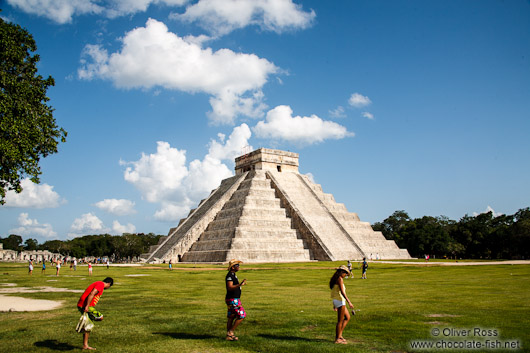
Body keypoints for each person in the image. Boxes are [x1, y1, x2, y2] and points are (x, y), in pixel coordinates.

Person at [77, 277, 114, 350]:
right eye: (109, 287)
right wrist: (87, 306)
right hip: (86, 305)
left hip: (83, 305)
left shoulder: (99, 284)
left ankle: (85, 345)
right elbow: (92, 293)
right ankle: (82, 328)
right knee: (100, 317)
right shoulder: (100, 284)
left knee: (88, 325)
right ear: (109, 284)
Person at [330, 265, 354, 344]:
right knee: (340, 321)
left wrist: (334, 304)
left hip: (337, 300)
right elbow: (342, 292)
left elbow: (334, 291)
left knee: (347, 317)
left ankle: (340, 335)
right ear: (342, 272)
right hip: (340, 301)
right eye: (345, 274)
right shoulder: (340, 279)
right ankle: (337, 339)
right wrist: (349, 302)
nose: (345, 275)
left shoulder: (335, 278)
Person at [225, 259, 247, 341]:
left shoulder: (233, 275)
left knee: (231, 316)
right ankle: (231, 332)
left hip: (232, 299)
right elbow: (230, 287)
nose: (239, 267)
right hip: (233, 299)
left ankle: (229, 336)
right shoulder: (230, 276)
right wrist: (239, 285)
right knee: (242, 315)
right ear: (233, 267)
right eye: (237, 265)